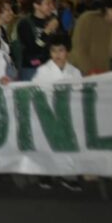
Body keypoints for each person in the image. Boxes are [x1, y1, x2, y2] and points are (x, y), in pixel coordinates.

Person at [30, 33, 83, 191]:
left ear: (67, 51)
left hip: (68, 114)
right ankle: (46, 173)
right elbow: (35, 90)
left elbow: (79, 92)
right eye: (54, 51)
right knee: (47, 143)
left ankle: (68, 174)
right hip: (49, 113)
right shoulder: (43, 71)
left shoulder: (74, 72)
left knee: (68, 144)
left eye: (61, 50)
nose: (58, 55)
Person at [69, 0, 112, 75]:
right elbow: (79, 49)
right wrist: (90, 70)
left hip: (101, 71)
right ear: (106, 8)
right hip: (78, 70)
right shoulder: (88, 19)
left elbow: (110, 52)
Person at [15, 0, 62, 81]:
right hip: (31, 69)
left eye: (52, 4)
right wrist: (47, 31)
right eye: (48, 4)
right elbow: (33, 49)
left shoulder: (53, 21)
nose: (52, 7)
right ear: (36, 5)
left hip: (51, 67)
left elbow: (61, 44)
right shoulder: (25, 23)